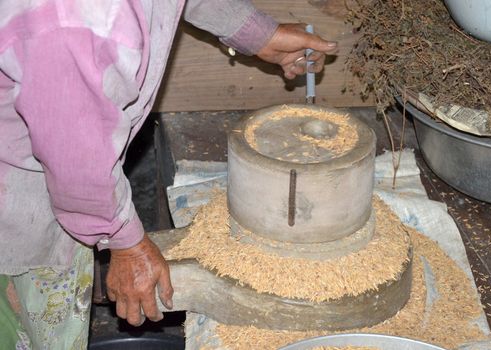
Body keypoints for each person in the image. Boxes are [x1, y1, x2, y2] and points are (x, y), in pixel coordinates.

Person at [0, 1, 338, 348]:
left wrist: (257, 33)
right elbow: (76, 156)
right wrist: (125, 242)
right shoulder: (73, 22)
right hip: (17, 202)